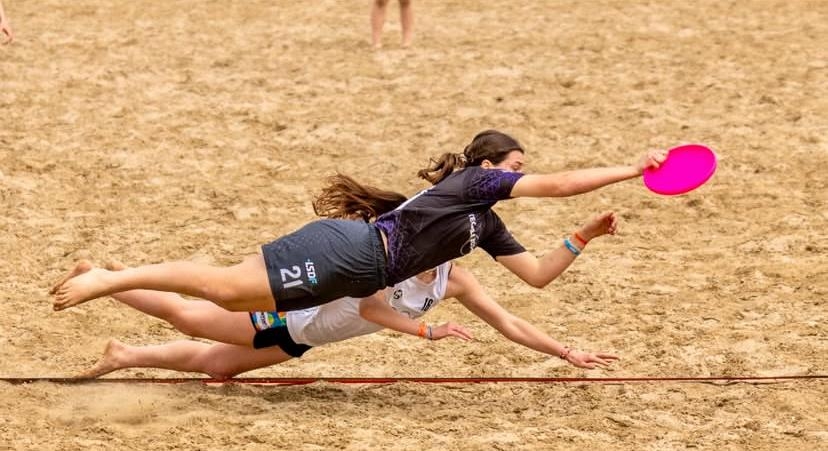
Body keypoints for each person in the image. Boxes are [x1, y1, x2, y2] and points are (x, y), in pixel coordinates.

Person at [51, 130, 666, 319]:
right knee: (223, 287)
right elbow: (558, 184)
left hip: (355, 274)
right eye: (514, 166)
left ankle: (113, 276)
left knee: (228, 300)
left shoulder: (484, 223)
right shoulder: (473, 183)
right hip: (351, 251)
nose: (520, 175)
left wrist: (583, 236)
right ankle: (110, 278)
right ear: (488, 167)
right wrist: (631, 170)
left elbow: (535, 276)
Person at [80, 255, 618, 380]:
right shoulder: (395, 265)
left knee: (217, 365)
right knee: (190, 317)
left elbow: (509, 323)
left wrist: (566, 352)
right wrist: (426, 330)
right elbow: (367, 307)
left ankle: (126, 354)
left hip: (310, 336)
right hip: (293, 316)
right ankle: (106, 278)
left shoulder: (456, 280)